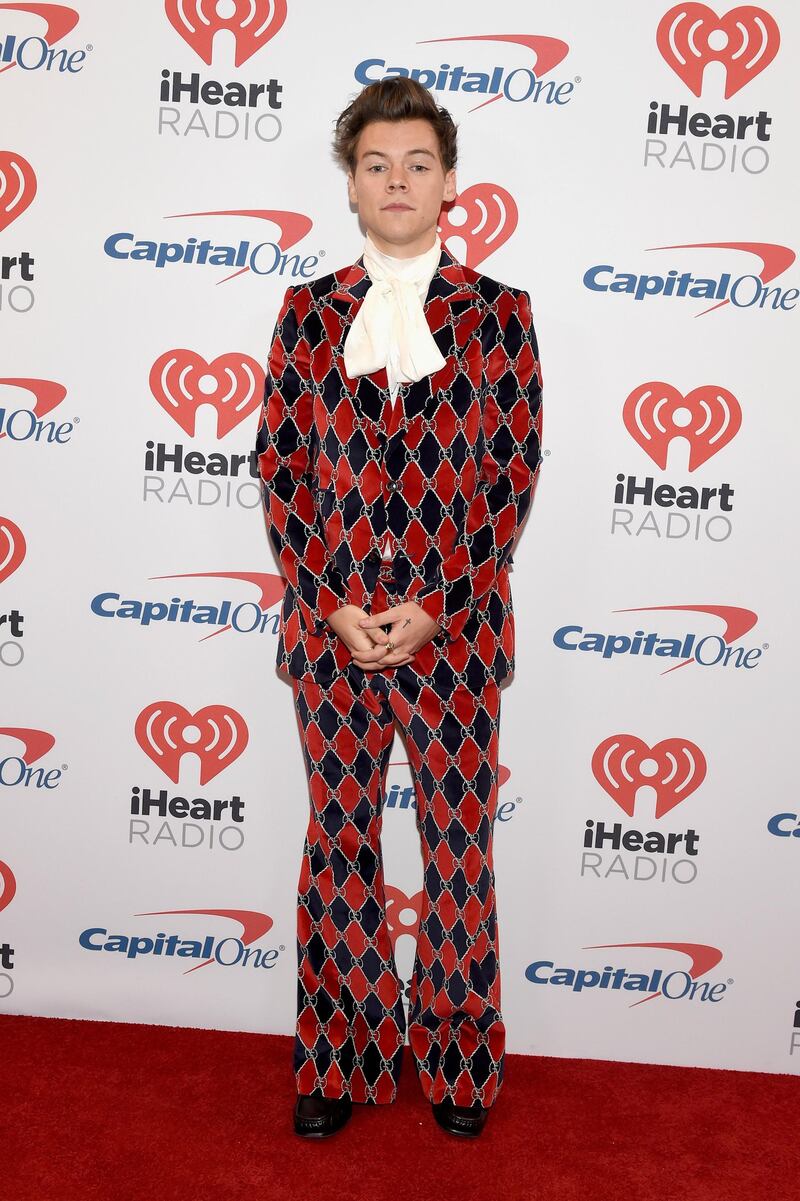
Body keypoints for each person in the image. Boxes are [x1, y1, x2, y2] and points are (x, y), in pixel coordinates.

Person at [256, 76, 543, 1140]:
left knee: (457, 848)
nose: (395, 180)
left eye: (415, 163)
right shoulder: (307, 311)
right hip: (329, 637)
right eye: (375, 163)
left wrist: (437, 605)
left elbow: (509, 479)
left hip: (454, 638)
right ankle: (339, 1054)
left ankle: (461, 1065)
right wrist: (330, 602)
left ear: (449, 184)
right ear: (351, 185)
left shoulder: (500, 315)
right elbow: (280, 468)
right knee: (339, 842)